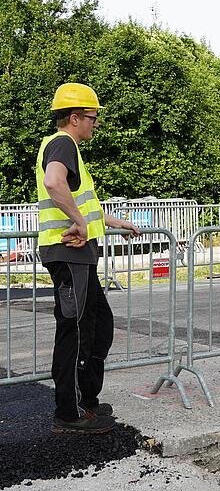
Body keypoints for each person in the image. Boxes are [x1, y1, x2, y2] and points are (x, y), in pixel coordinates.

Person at [36, 82, 141, 434]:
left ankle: (86, 400)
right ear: (76, 117)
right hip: (68, 255)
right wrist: (80, 223)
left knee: (99, 327)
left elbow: (85, 205)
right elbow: (54, 183)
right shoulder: (62, 143)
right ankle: (68, 412)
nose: (95, 124)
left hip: (79, 256)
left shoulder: (68, 148)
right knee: (76, 331)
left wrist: (115, 222)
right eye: (93, 118)